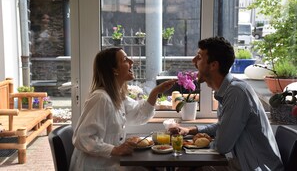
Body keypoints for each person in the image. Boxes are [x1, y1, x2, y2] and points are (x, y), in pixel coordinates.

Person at [169, 36, 284, 171]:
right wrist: (191, 130)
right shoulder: (229, 90)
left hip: (256, 168)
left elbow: (222, 146)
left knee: (189, 168)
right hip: (242, 164)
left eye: (199, 57)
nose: (193, 61)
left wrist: (197, 143)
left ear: (213, 65)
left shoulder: (236, 92)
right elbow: (223, 126)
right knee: (186, 167)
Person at [69, 47, 176, 171]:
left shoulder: (117, 97)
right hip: (96, 166)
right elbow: (82, 138)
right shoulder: (100, 98)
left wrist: (155, 92)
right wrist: (115, 149)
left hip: (110, 164)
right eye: (125, 59)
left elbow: (140, 115)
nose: (131, 61)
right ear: (114, 69)